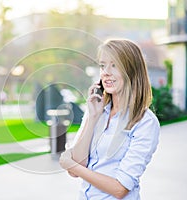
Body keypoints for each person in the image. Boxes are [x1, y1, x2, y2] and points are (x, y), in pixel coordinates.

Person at [59, 39, 160, 199]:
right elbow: (78, 165)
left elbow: (120, 188)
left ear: (132, 71)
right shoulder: (96, 110)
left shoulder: (145, 122)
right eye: (103, 65)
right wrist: (92, 118)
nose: (106, 72)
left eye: (115, 65)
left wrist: (70, 164)